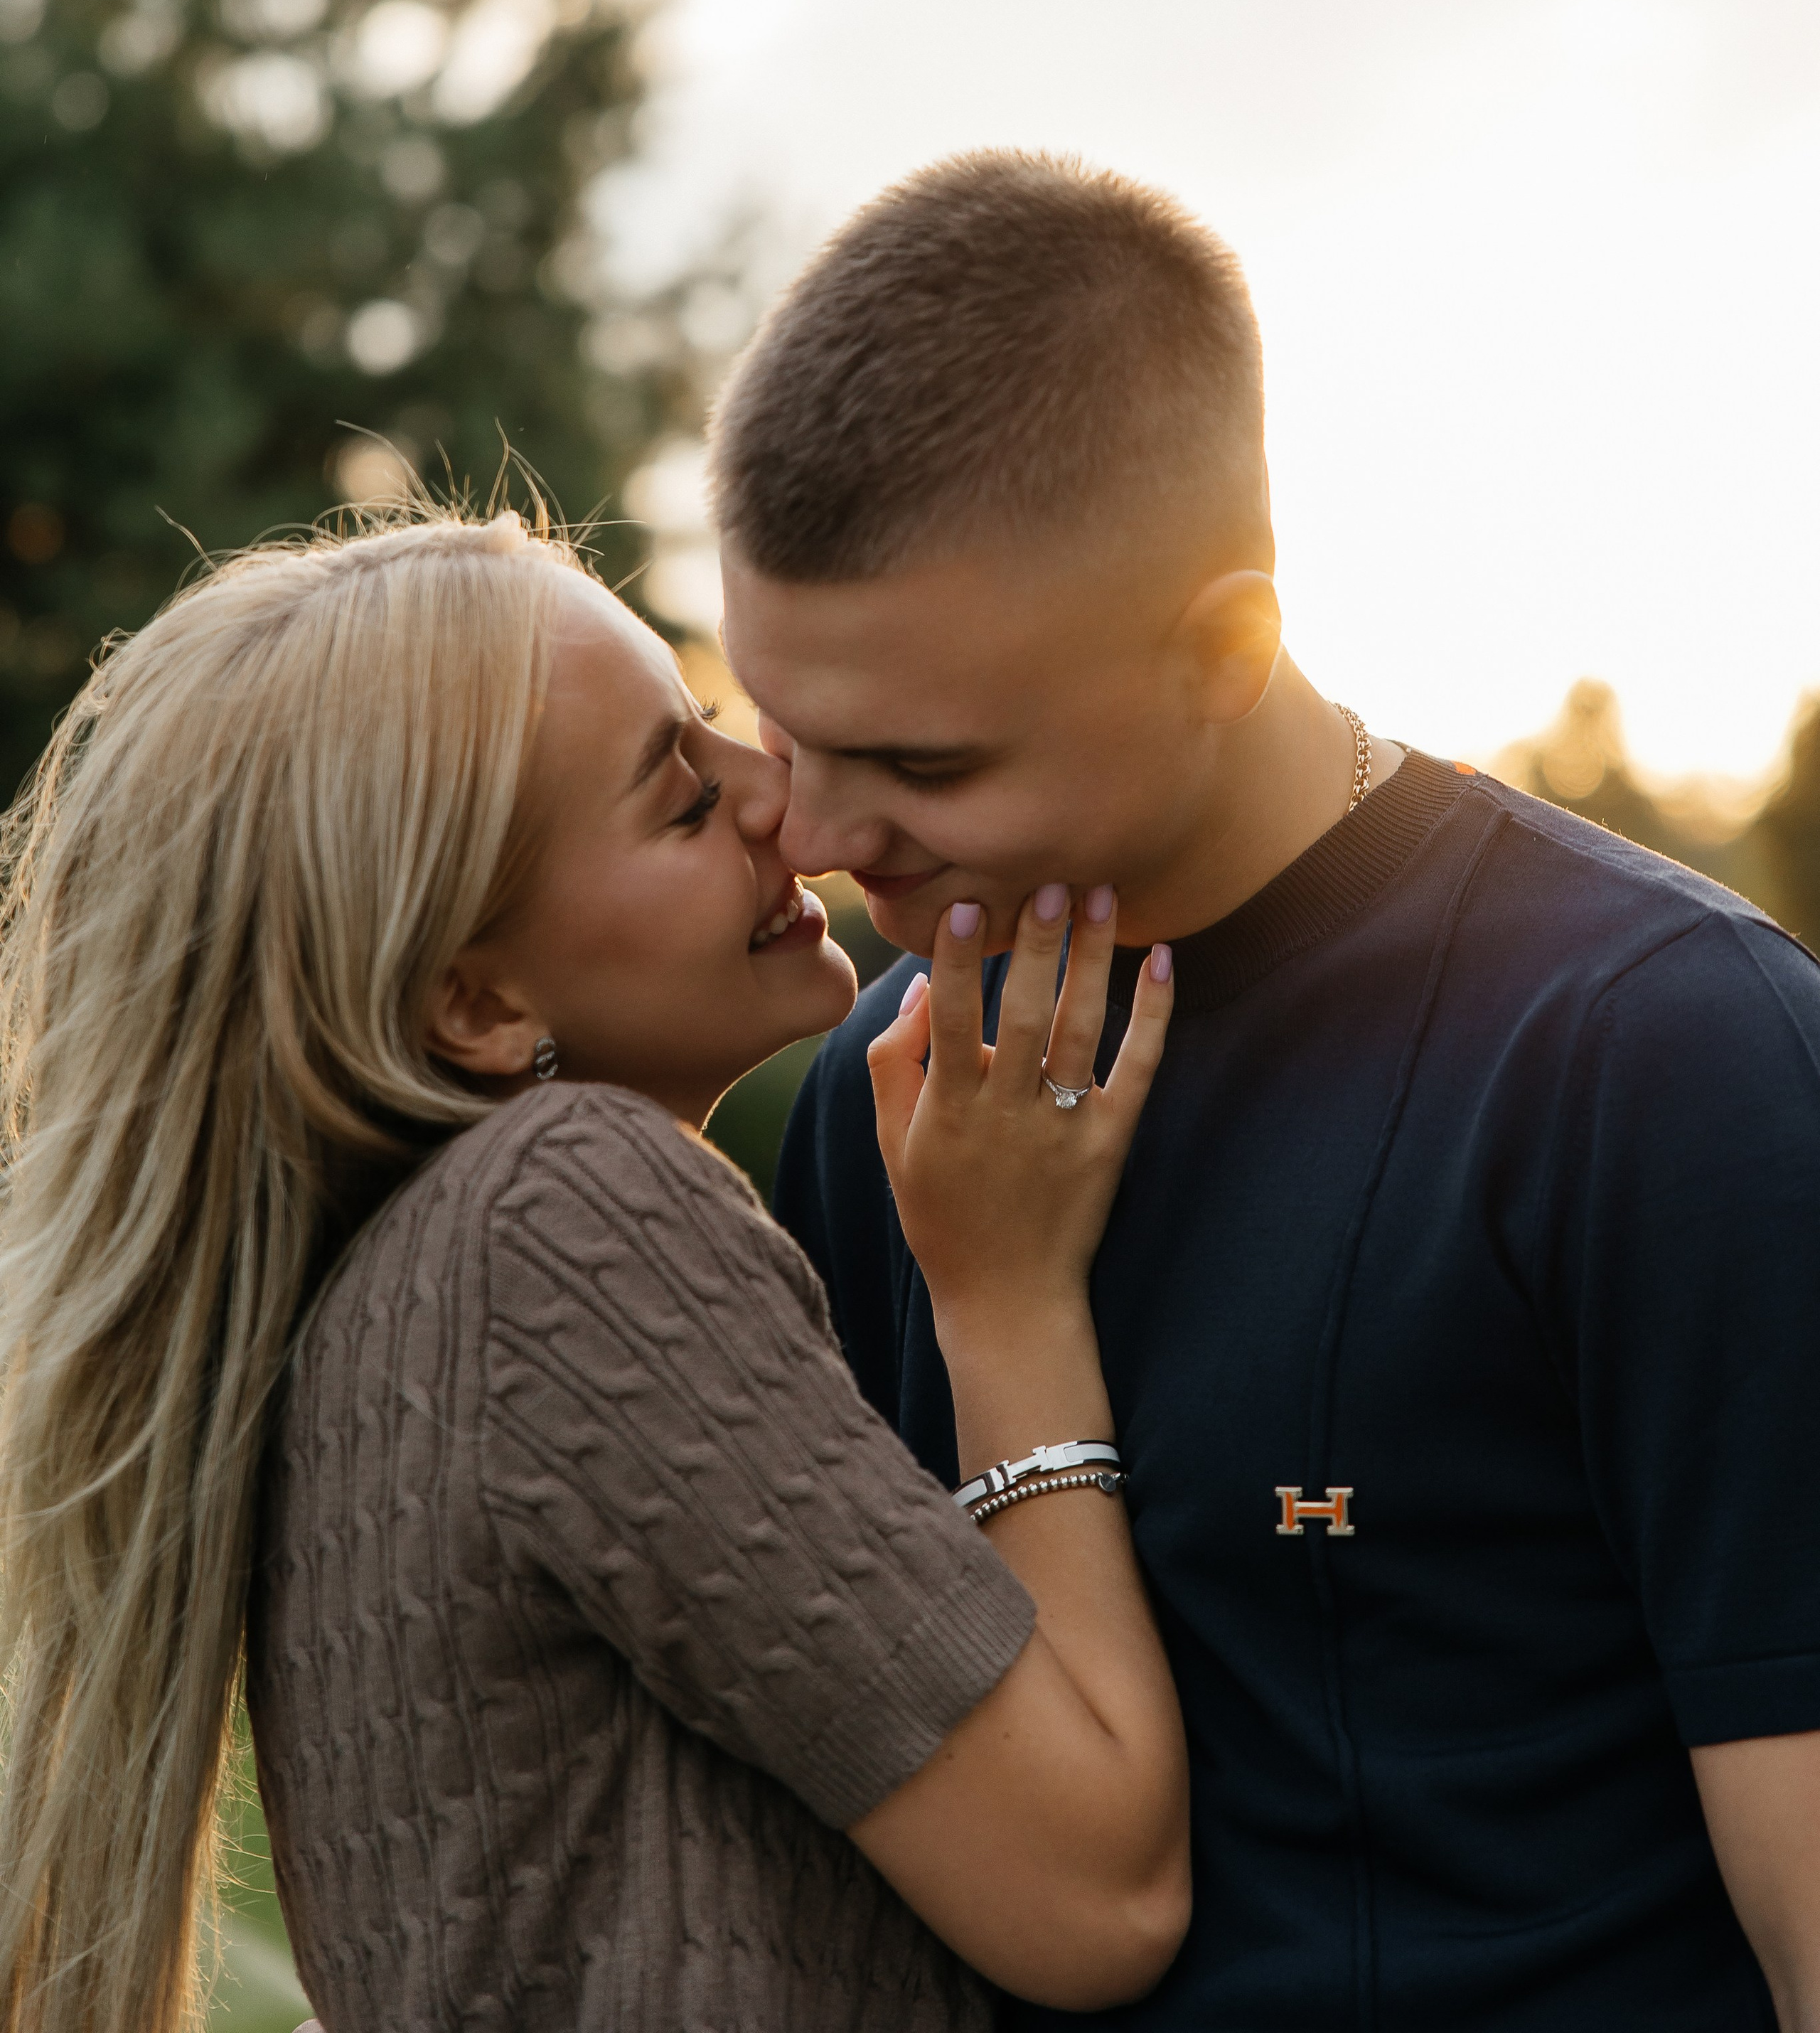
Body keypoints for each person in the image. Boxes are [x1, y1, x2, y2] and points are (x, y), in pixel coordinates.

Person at [707, 146, 1820, 2033]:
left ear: (1226, 647)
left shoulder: (1666, 1061)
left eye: (924, 763)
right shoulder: (880, 1092)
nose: (811, 834)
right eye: (780, 727)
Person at [0, 506, 1191, 2033]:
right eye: (683, 802)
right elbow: (1096, 1895)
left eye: (713, 722)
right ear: (475, 1004)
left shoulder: (381, 1308)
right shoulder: (559, 1219)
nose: (778, 795)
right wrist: (1004, 1294)